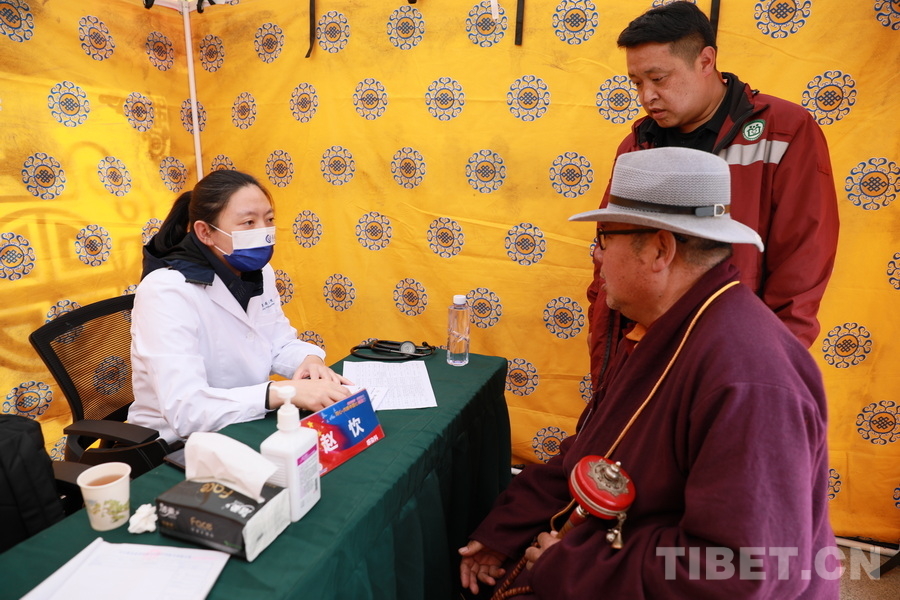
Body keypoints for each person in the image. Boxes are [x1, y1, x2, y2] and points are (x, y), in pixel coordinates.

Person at [459, 147, 838, 599]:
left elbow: (741, 571)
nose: (596, 256)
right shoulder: (665, 326)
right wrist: (506, 530)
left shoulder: (750, 379)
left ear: (660, 249)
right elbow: (592, 454)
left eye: (604, 238)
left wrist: (574, 565)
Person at [587, 1, 839, 389]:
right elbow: (608, 257)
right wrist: (608, 367)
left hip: (735, 354)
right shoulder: (636, 144)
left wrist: (765, 370)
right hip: (642, 354)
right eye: (636, 83)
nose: (647, 96)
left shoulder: (785, 131)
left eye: (658, 78)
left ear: (706, 61)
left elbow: (802, 268)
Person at [128, 169, 351, 444]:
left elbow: (277, 342)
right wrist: (283, 392)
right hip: (175, 445)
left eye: (269, 219)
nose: (263, 232)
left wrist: (308, 360)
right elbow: (187, 411)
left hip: (244, 421)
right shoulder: (166, 291)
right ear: (205, 232)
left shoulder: (259, 272)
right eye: (248, 222)